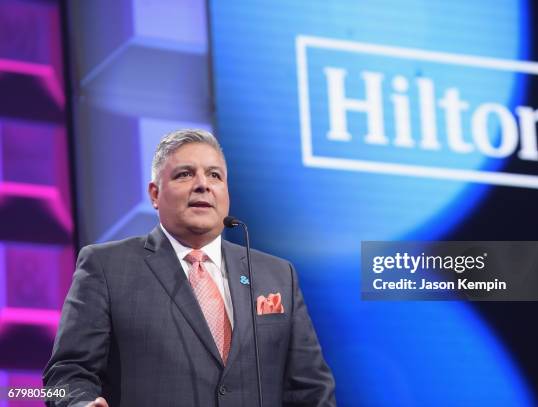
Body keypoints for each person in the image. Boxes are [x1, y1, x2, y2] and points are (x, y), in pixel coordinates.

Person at [43, 129, 336, 407]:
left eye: (214, 175)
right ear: (155, 194)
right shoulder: (106, 266)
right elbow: (67, 372)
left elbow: (311, 388)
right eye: (185, 174)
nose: (202, 184)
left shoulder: (277, 274)